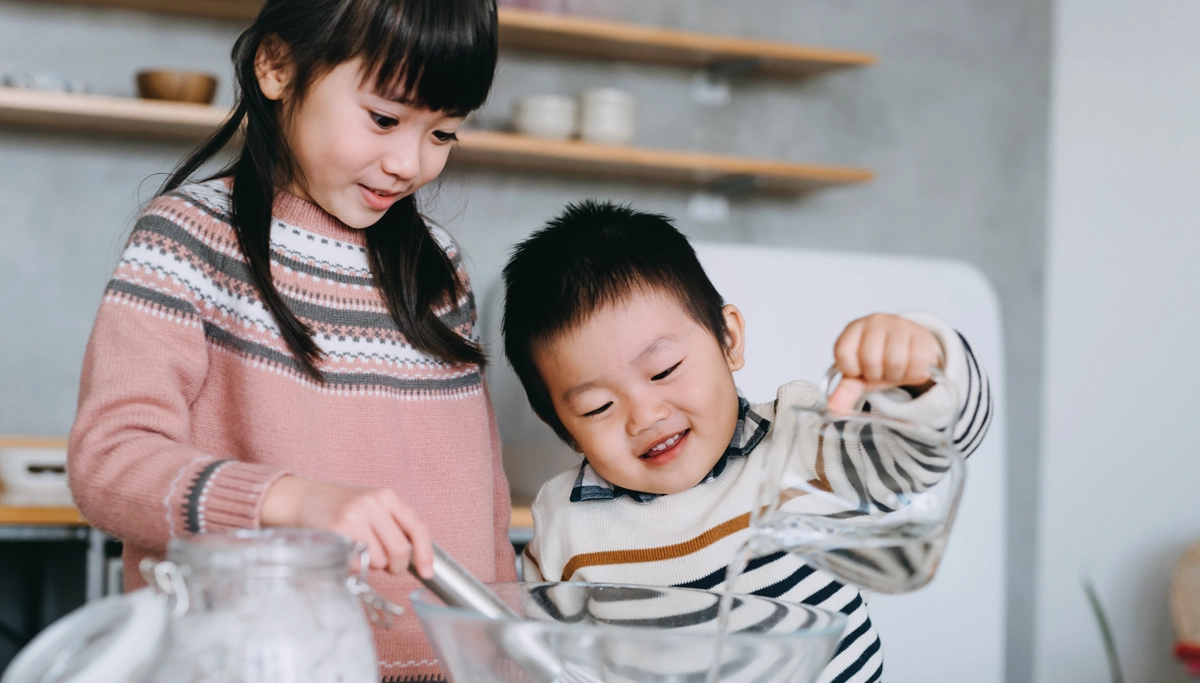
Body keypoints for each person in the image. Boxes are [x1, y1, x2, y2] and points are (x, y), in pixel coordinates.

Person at [66, 1, 513, 679]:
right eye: (385, 119)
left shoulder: (437, 268)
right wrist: (291, 501)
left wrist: (504, 651)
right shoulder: (191, 237)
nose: (409, 162)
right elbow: (109, 462)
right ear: (277, 66)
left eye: (444, 133)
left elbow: (487, 494)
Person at [502, 201, 993, 683]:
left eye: (664, 370)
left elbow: (929, 448)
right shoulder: (567, 524)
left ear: (729, 339)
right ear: (564, 427)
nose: (646, 416)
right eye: (597, 408)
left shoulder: (803, 443)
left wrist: (918, 374)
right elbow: (553, 661)